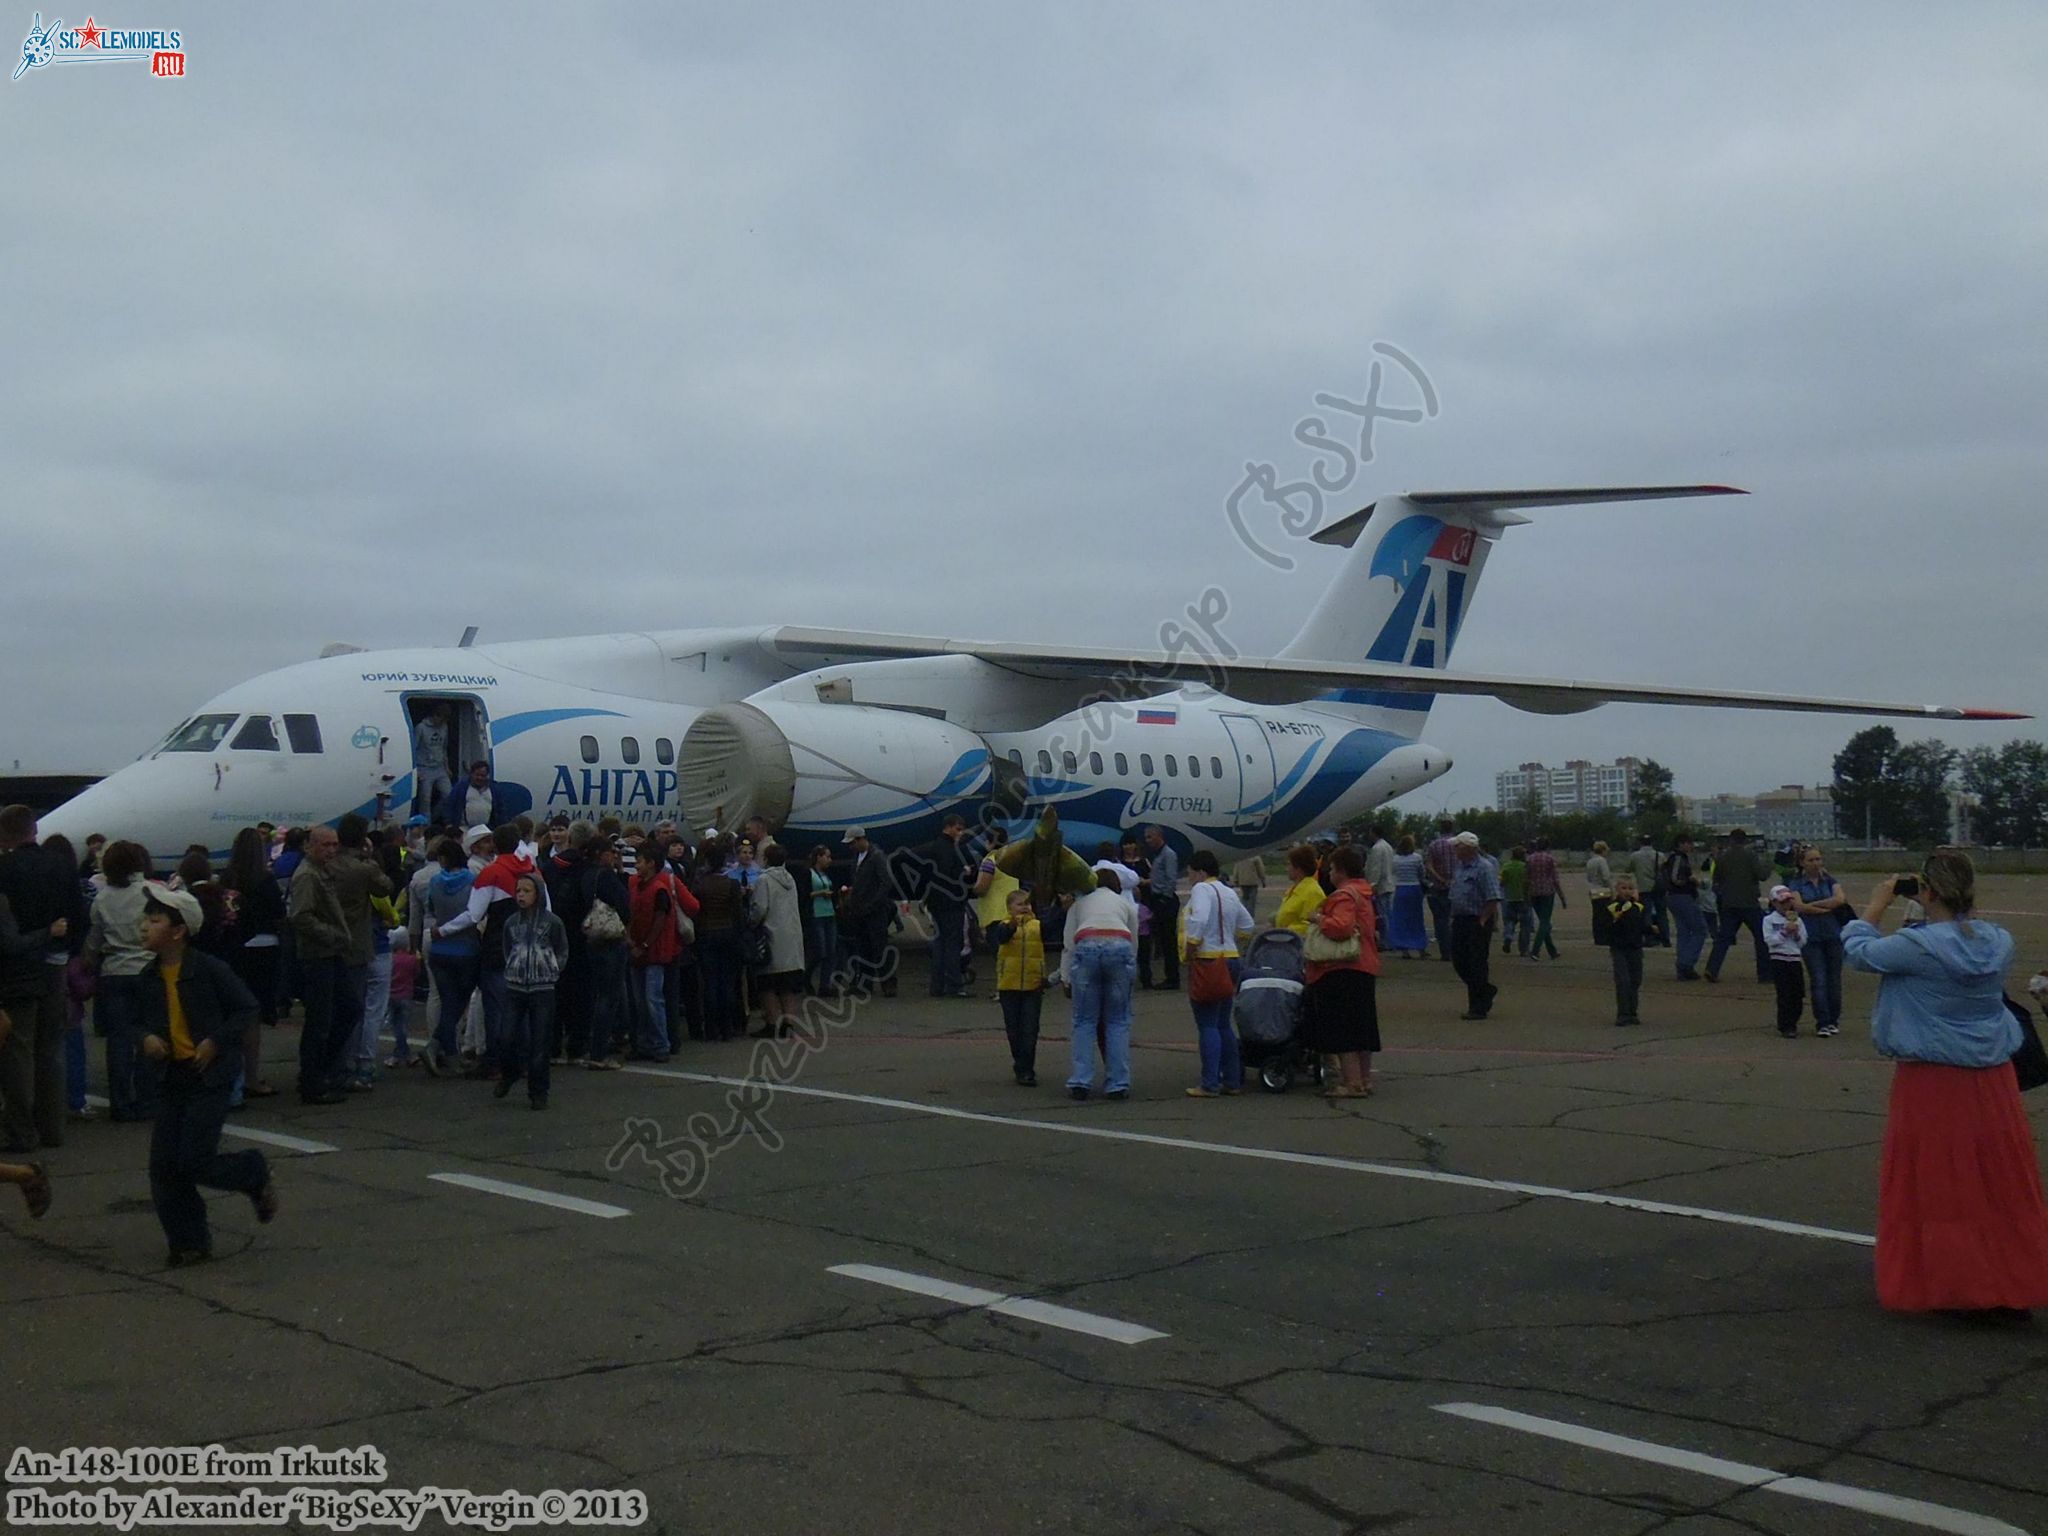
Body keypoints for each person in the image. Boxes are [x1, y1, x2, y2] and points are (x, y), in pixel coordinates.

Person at [1842, 851, 2048, 1318]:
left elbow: (1859, 952)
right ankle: (2009, 1280)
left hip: (1934, 1077)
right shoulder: (1999, 940)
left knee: (1941, 1184)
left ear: (1927, 892)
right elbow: (1958, 938)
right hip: (1993, 1074)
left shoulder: (1916, 946)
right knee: (1998, 1184)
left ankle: (1959, 1285)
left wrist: (1875, 906)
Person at [135, 883, 277, 1266]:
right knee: (164, 1167)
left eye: (154, 920)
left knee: (195, 1161)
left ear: (178, 931)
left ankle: (252, 1171)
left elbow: (246, 1008)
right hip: (171, 1077)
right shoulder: (148, 976)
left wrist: (216, 1040)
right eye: (145, 919)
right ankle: (189, 1242)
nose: (144, 927)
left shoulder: (210, 969)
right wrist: (146, 1036)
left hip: (208, 1077)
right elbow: (134, 1020)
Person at [0, 805, 79, 1152]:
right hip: (56, 962)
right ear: (34, 829)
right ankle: (53, 1129)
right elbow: (79, 913)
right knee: (51, 1048)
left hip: (18, 966)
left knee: (19, 1050)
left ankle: (21, 1130)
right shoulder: (60, 865)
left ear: (5, 834)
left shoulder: (5, 869)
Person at [1303, 845, 1380, 1097]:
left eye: (1333, 869)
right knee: (1362, 1027)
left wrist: (1318, 919)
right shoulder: (1363, 893)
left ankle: (1351, 1083)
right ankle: (1365, 1079)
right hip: (1365, 964)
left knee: (1343, 1029)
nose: (1330, 874)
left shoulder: (1343, 896)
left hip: (1343, 967)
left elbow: (1342, 927)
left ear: (1342, 871)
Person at [287, 826, 354, 1104]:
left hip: (331, 952)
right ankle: (312, 1079)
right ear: (310, 846)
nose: (331, 850)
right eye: (325, 845)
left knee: (348, 1009)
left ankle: (319, 1070)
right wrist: (333, 935)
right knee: (320, 1020)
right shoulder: (307, 875)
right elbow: (301, 916)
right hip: (317, 955)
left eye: (334, 845)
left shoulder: (323, 872)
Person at [1181, 850, 1254, 1098]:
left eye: (1190, 872)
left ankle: (1209, 1083)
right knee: (1224, 1023)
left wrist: (1191, 948)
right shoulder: (1229, 891)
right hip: (1230, 958)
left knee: (1207, 1024)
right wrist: (1233, 940)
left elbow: (1198, 920)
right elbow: (1247, 925)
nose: (1189, 877)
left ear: (1200, 872)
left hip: (1208, 959)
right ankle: (1232, 1080)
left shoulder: (1201, 890)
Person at [1062, 867, 1138, 1100]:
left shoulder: (1079, 904)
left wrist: (1066, 978)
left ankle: (1081, 1081)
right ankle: (1117, 1083)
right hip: (1119, 946)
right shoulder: (1124, 903)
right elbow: (1133, 943)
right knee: (1117, 1020)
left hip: (1087, 945)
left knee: (1084, 1020)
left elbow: (1068, 944)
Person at [494, 873, 567, 1109]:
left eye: (527, 891)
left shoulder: (552, 922)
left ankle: (538, 1091)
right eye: (518, 891)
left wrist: (552, 969)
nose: (521, 895)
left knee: (540, 1041)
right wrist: (513, 966)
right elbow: (507, 948)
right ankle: (510, 1071)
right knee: (506, 1036)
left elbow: (562, 949)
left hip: (543, 987)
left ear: (537, 894)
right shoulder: (511, 923)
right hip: (515, 985)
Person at [221, 827, 284, 1098]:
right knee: (253, 1016)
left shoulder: (227, 879)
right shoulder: (265, 879)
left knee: (233, 1010)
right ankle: (251, 1076)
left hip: (234, 947)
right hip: (263, 945)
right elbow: (279, 913)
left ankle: (231, 1074)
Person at [628, 839, 696, 1060]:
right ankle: (650, 1042)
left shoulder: (658, 888)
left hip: (654, 952)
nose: (636, 865)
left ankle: (659, 1043)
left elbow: (660, 918)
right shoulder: (640, 884)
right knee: (644, 1000)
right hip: (645, 950)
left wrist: (643, 944)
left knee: (651, 998)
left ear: (650, 863)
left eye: (639, 861)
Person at [986, 889, 1046, 1086]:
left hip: (1032, 984)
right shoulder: (1003, 926)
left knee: (1030, 1029)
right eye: (1020, 904)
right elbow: (1002, 938)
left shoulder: (1037, 925)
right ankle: (1019, 1063)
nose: (1025, 907)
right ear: (1009, 908)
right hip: (1009, 985)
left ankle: (1027, 1068)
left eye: (1027, 904)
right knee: (1014, 1029)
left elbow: (1053, 926)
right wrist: (1013, 923)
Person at [1790, 847, 1850, 1039]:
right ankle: (1822, 1022)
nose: (1816, 863)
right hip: (1811, 937)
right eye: (1811, 860)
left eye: (1818, 859)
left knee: (1834, 980)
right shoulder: (1796, 883)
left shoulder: (1830, 881)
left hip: (1833, 935)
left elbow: (1840, 899)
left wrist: (1813, 906)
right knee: (1818, 979)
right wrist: (1825, 906)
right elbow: (1798, 906)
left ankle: (1834, 1020)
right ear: (1802, 863)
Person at [748, 845, 806, 1039]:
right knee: (788, 985)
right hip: (791, 936)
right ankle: (788, 1022)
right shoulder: (790, 879)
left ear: (765, 859)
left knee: (767, 984)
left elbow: (760, 908)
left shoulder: (764, 880)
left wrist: (751, 921)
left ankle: (773, 1022)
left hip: (772, 935)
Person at [1447, 832, 1502, 1020]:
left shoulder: (1484, 868)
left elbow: (1493, 896)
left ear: (1468, 848)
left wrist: (1484, 919)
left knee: (1476, 962)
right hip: (1460, 920)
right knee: (1459, 961)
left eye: (1457, 846)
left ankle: (1477, 1007)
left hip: (1477, 920)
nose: (1454, 850)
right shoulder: (1460, 868)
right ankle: (1485, 990)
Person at [919, 815, 975, 999]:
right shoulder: (948, 848)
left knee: (940, 944)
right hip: (950, 902)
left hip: (937, 902)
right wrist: (964, 871)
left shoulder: (934, 846)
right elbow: (947, 874)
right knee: (952, 944)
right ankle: (953, 984)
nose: (961, 833)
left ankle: (937, 986)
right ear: (948, 827)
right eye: (958, 829)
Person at [1705, 830, 1770, 984]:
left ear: (1731, 840)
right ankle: (1765, 973)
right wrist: (1767, 864)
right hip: (1749, 903)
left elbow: (1717, 879)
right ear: (1745, 841)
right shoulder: (1751, 856)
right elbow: (1762, 875)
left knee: (1723, 938)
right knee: (1761, 938)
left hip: (1729, 903)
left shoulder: (1722, 857)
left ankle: (1712, 969)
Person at [693, 846, 746, 1040]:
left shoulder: (700, 884)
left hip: (707, 933)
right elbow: (738, 913)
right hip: (728, 932)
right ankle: (727, 1027)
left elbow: (696, 912)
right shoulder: (731, 884)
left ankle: (711, 1028)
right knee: (728, 982)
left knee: (710, 982)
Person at [843, 828, 897, 997]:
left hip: (875, 911)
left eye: (852, 843)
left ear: (860, 839)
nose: (850, 847)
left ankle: (888, 983)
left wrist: (873, 903)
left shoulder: (877, 856)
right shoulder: (857, 858)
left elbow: (886, 882)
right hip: (860, 911)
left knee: (879, 947)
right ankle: (864, 984)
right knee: (863, 948)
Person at [1762, 885, 1807, 1039]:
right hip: (1778, 960)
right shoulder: (1769, 920)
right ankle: (1786, 1025)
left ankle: (1794, 1020)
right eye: (1782, 902)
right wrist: (1784, 931)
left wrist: (1795, 934)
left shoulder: (1797, 919)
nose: (1786, 905)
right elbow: (1770, 941)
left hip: (1794, 959)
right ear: (1774, 903)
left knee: (1798, 993)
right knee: (1784, 993)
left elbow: (1802, 942)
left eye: (1789, 901)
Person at [1604, 874, 1647, 1027]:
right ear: (1617, 890)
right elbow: (1605, 928)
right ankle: (1623, 1013)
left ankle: (1632, 1012)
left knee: (1635, 980)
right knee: (1623, 980)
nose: (1627, 891)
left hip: (1635, 947)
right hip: (1619, 948)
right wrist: (1614, 921)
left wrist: (1652, 930)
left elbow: (1642, 925)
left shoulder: (1638, 907)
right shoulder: (1612, 908)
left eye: (1630, 888)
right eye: (1623, 888)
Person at [1661, 835, 1707, 980]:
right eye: (1689, 843)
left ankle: (1684, 966)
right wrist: (1690, 880)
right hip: (1682, 896)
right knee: (1700, 930)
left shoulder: (1673, 857)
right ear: (1681, 844)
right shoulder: (1679, 858)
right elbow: (1675, 878)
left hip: (1673, 896)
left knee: (1684, 931)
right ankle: (1685, 963)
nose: (1691, 846)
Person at [1141, 827, 1181, 990]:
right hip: (1157, 898)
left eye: (1150, 837)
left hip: (1165, 900)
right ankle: (1169, 976)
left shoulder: (1168, 855)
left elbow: (1171, 879)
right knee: (1163, 941)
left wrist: (1164, 899)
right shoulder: (1158, 855)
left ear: (1159, 837)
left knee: (1168, 941)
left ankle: (1173, 978)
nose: (1147, 840)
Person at [804, 844, 840, 996]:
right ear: (818, 857)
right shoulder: (808, 873)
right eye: (827, 856)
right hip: (816, 915)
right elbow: (804, 894)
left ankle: (825, 985)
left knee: (831, 951)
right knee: (820, 951)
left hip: (829, 914)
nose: (829, 860)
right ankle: (806, 976)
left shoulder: (825, 874)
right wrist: (819, 893)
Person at [1387, 836, 1429, 958]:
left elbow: (1393, 872)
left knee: (1401, 920)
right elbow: (1422, 874)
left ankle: (1404, 949)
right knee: (1416, 919)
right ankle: (1420, 948)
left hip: (1400, 889)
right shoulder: (1417, 858)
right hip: (1414, 888)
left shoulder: (1395, 859)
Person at [1421, 818, 1457, 961]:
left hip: (1439, 887)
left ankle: (1445, 951)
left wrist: (1439, 878)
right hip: (1457, 887)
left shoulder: (1434, 845)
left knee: (1440, 920)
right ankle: (1456, 949)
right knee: (1455, 919)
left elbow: (1428, 865)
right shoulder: (1458, 844)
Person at [439, 761, 509, 833]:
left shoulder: (494, 789)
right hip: (464, 829)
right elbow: (449, 805)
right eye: (477, 775)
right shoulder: (461, 787)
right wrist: (448, 824)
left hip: (487, 829)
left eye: (482, 775)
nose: (479, 778)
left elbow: (501, 809)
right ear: (471, 774)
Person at [1524, 838, 1564, 961]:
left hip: (1534, 892)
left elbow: (1526, 877)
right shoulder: (1549, 858)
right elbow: (1555, 879)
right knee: (1545, 922)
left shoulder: (1530, 858)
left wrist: (1526, 894)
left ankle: (1552, 951)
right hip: (1547, 892)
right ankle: (1535, 950)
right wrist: (1562, 897)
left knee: (1543, 922)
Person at [1272, 846, 1325, 937]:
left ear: (1298, 869)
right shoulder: (1295, 889)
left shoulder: (1312, 892)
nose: (1286, 869)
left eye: (1289, 865)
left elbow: (1311, 925)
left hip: (1298, 944)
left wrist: (1287, 931)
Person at [413, 705, 455, 819]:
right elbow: (414, 748)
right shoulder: (421, 728)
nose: (442, 722)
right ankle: (425, 825)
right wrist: (416, 770)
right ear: (435, 715)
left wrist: (447, 767)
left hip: (439, 767)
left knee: (449, 795)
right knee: (425, 799)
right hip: (424, 767)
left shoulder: (444, 727)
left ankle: (435, 816)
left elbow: (444, 747)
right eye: (441, 718)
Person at [1629, 835, 1667, 946]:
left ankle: (1650, 938)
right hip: (1658, 887)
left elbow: (1628, 868)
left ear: (1641, 843)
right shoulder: (1660, 855)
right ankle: (1665, 938)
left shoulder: (1635, 856)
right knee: (1662, 914)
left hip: (1644, 887)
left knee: (1646, 913)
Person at [1364, 824, 1396, 946]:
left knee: (1382, 915)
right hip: (1389, 882)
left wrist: (1373, 884)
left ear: (1373, 833)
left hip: (1381, 885)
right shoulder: (1388, 846)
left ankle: (1386, 941)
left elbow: (1376, 868)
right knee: (1388, 913)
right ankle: (1390, 939)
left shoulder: (1377, 848)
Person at [1498, 845, 1530, 958]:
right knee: (1525, 924)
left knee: (1509, 921)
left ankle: (1508, 936)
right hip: (1523, 898)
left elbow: (1501, 882)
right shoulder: (1525, 867)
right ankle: (1523, 949)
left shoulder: (1506, 866)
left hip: (1509, 898)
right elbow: (1527, 882)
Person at [1231, 853, 1266, 920]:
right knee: (1252, 901)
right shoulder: (1256, 857)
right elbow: (1260, 869)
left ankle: (1243, 916)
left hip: (1243, 881)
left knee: (1245, 899)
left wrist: (1235, 879)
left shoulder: (1240, 857)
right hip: (1253, 881)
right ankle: (1250, 917)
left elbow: (1236, 869)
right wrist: (1263, 880)